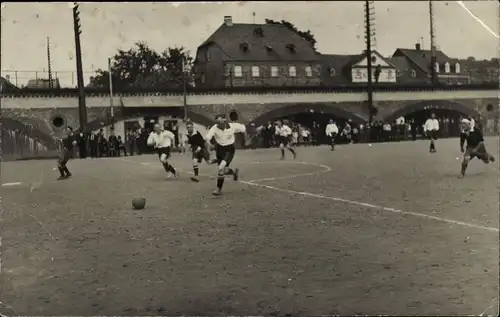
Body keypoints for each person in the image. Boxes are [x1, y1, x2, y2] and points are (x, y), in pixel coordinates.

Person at [204, 114, 245, 196]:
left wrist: (244, 141)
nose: (218, 124)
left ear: (225, 120)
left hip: (230, 149)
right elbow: (207, 138)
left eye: (219, 122)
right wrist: (210, 145)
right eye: (217, 122)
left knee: (221, 167)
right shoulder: (214, 128)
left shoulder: (233, 126)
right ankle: (234, 173)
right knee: (223, 169)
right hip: (219, 149)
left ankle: (218, 189)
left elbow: (244, 129)